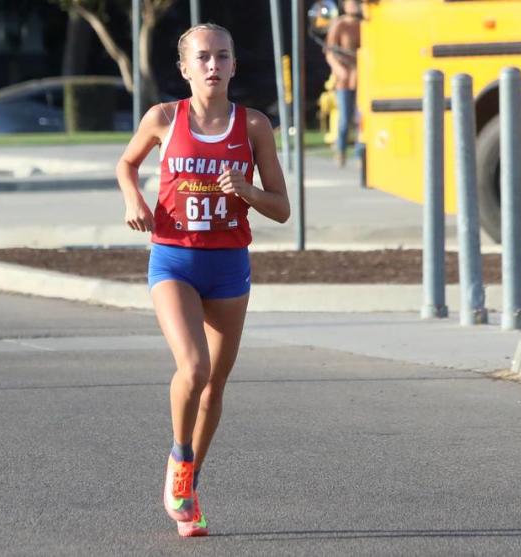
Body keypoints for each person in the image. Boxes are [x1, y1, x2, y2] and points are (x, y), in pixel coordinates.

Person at [115, 23, 290, 537]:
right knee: (193, 367)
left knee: (214, 388)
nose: (213, 66)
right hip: (174, 260)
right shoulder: (163, 118)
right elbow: (126, 164)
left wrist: (248, 191)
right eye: (203, 58)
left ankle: (188, 484)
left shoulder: (254, 125)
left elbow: (281, 208)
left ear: (235, 66)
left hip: (228, 265)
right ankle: (178, 455)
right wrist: (135, 199)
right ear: (185, 68)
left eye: (223, 57)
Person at [324, 0, 362, 167]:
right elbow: (329, 50)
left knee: (362, 117)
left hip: (362, 78)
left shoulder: (365, 24)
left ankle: (361, 152)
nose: (355, 6)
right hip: (345, 80)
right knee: (345, 118)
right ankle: (341, 151)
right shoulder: (339, 24)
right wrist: (339, 69)